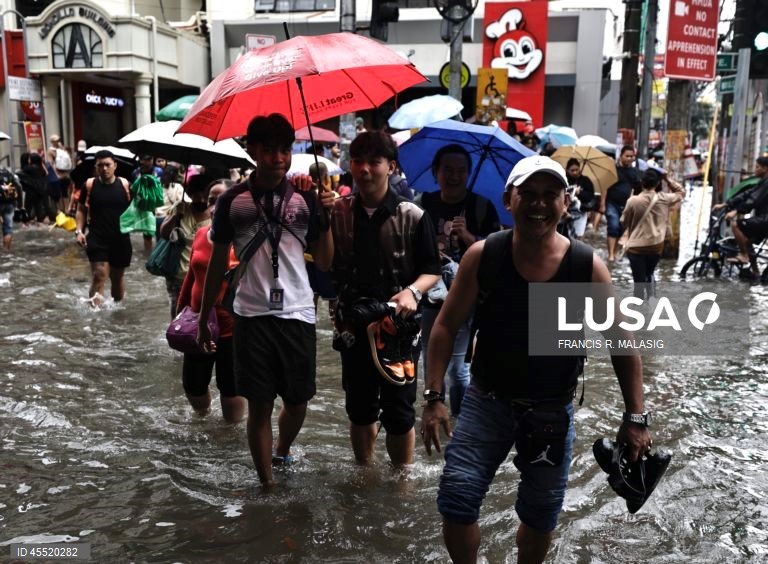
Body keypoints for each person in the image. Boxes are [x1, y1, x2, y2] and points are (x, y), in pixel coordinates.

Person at [421, 155, 651, 564]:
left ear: (566, 202)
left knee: (541, 514)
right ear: (510, 199)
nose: (538, 204)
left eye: (550, 195)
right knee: (456, 497)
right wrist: (434, 396)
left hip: (550, 409)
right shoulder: (484, 255)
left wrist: (635, 417)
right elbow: (444, 326)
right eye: (528, 194)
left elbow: (621, 341)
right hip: (486, 399)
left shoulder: (584, 266)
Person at [195, 113, 334, 486]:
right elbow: (217, 263)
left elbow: (324, 261)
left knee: (298, 400)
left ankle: (283, 448)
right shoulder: (232, 202)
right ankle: (268, 485)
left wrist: (327, 215)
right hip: (251, 315)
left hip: (299, 311)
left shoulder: (306, 197)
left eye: (285, 150)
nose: (278, 158)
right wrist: (204, 316)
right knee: (259, 405)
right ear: (252, 150)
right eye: (269, 150)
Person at [329, 130, 441, 468]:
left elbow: (432, 269)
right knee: (360, 407)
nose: (365, 169)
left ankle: (401, 478)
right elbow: (323, 267)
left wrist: (413, 290)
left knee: (400, 408)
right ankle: (364, 471)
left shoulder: (413, 215)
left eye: (374, 162)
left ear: (390, 167)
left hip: (400, 326)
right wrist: (320, 219)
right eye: (358, 161)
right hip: (352, 323)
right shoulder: (338, 211)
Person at [416, 144, 500, 416]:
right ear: (435, 172)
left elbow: (496, 253)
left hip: (468, 294)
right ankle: (433, 409)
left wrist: (468, 238)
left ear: (469, 173)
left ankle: (461, 421)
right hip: (430, 293)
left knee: (458, 366)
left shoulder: (481, 207)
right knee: (431, 356)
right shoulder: (421, 205)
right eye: (448, 170)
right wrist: (432, 250)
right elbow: (407, 246)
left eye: (461, 171)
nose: (454, 176)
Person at [176, 179, 246, 423]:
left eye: (223, 199)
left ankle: (229, 437)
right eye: (213, 200)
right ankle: (203, 421)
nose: (217, 205)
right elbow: (191, 275)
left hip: (232, 328)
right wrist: (180, 309)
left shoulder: (246, 240)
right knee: (193, 386)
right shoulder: (201, 233)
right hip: (198, 323)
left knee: (231, 388)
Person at [74, 150, 132, 306]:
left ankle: (117, 311)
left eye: (108, 165)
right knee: (99, 275)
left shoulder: (126, 185)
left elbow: (138, 210)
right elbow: (81, 210)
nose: (104, 169)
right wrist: (79, 231)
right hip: (97, 238)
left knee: (117, 278)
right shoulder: (89, 185)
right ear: (96, 167)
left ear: (115, 166)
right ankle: (95, 316)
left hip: (121, 239)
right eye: (100, 165)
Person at [620, 170, 685, 299]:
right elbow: (681, 192)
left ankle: (639, 310)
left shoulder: (633, 201)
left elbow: (623, 222)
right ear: (657, 183)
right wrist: (667, 179)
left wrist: (632, 198)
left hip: (636, 248)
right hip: (656, 247)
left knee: (638, 281)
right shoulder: (665, 198)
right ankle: (652, 298)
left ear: (642, 183)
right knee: (649, 273)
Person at [159, 174, 215, 319]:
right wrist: (176, 216)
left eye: (205, 196)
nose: (201, 200)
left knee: (201, 313)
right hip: (177, 272)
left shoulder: (216, 214)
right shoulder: (181, 208)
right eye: (196, 196)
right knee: (177, 312)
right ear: (190, 194)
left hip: (203, 274)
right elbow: (164, 234)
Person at [712, 156, 768, 277]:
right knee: (746, 241)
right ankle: (755, 271)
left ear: (765, 168)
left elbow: (753, 200)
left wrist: (736, 211)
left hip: (765, 220)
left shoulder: (767, 182)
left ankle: (744, 255)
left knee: (736, 224)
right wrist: (726, 204)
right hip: (763, 219)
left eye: (757, 167)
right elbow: (747, 193)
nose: (755, 169)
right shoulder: (762, 182)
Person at [600, 145, 641, 262]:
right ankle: (611, 255)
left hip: (626, 205)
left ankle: (616, 252)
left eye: (632, 156)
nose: (629, 158)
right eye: (627, 156)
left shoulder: (634, 172)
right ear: (621, 156)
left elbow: (636, 188)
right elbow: (605, 187)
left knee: (621, 230)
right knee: (613, 226)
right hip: (611, 203)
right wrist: (602, 204)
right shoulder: (612, 169)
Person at [564, 157, 595, 239]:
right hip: (565, 212)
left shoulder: (585, 180)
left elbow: (590, 196)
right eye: (572, 170)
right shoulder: (564, 180)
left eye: (576, 170)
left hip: (580, 213)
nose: (575, 172)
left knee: (578, 235)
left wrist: (580, 193)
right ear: (567, 170)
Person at [0, 165, 23, 251]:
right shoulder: (8, 172)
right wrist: (20, 204)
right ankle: (6, 251)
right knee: (8, 229)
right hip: (10, 203)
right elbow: (19, 187)